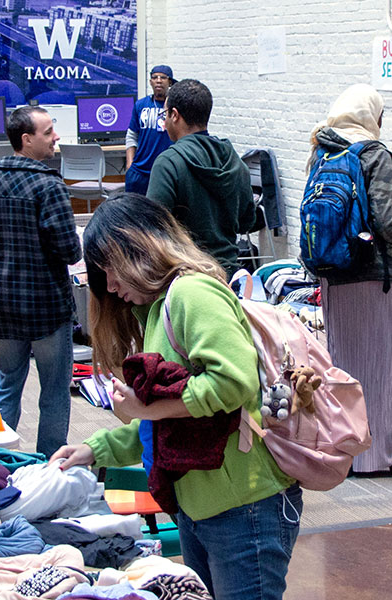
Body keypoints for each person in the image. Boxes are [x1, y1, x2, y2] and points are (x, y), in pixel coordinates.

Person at [49, 193, 301, 600]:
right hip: (201, 508)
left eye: (110, 270)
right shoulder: (155, 311)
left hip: (244, 508)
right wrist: (93, 450)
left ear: (137, 248)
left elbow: (234, 383)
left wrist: (144, 406)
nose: (110, 286)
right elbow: (165, 425)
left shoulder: (191, 295)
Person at [308, 83, 392, 477]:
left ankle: (348, 453)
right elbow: (388, 223)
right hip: (375, 276)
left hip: (334, 274)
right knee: (385, 365)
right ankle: (390, 455)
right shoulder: (373, 153)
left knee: (343, 364)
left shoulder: (322, 150)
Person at [0, 106, 82, 456]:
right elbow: (70, 251)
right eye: (49, 131)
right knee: (53, 393)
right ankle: (50, 464)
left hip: (3, 305)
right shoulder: (48, 185)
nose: (56, 137)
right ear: (27, 139)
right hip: (46, 307)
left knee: (6, 384)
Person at [145, 79, 258, 277]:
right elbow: (246, 222)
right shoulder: (236, 163)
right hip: (228, 275)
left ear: (175, 115)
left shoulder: (168, 163)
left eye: (165, 114)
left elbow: (153, 229)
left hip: (186, 277)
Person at [124, 65, 176, 194]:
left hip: (165, 172)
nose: (158, 80)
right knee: (135, 211)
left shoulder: (175, 107)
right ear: (150, 82)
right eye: (155, 77)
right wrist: (130, 164)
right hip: (139, 172)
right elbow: (131, 136)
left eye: (163, 77)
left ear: (170, 82)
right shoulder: (141, 105)